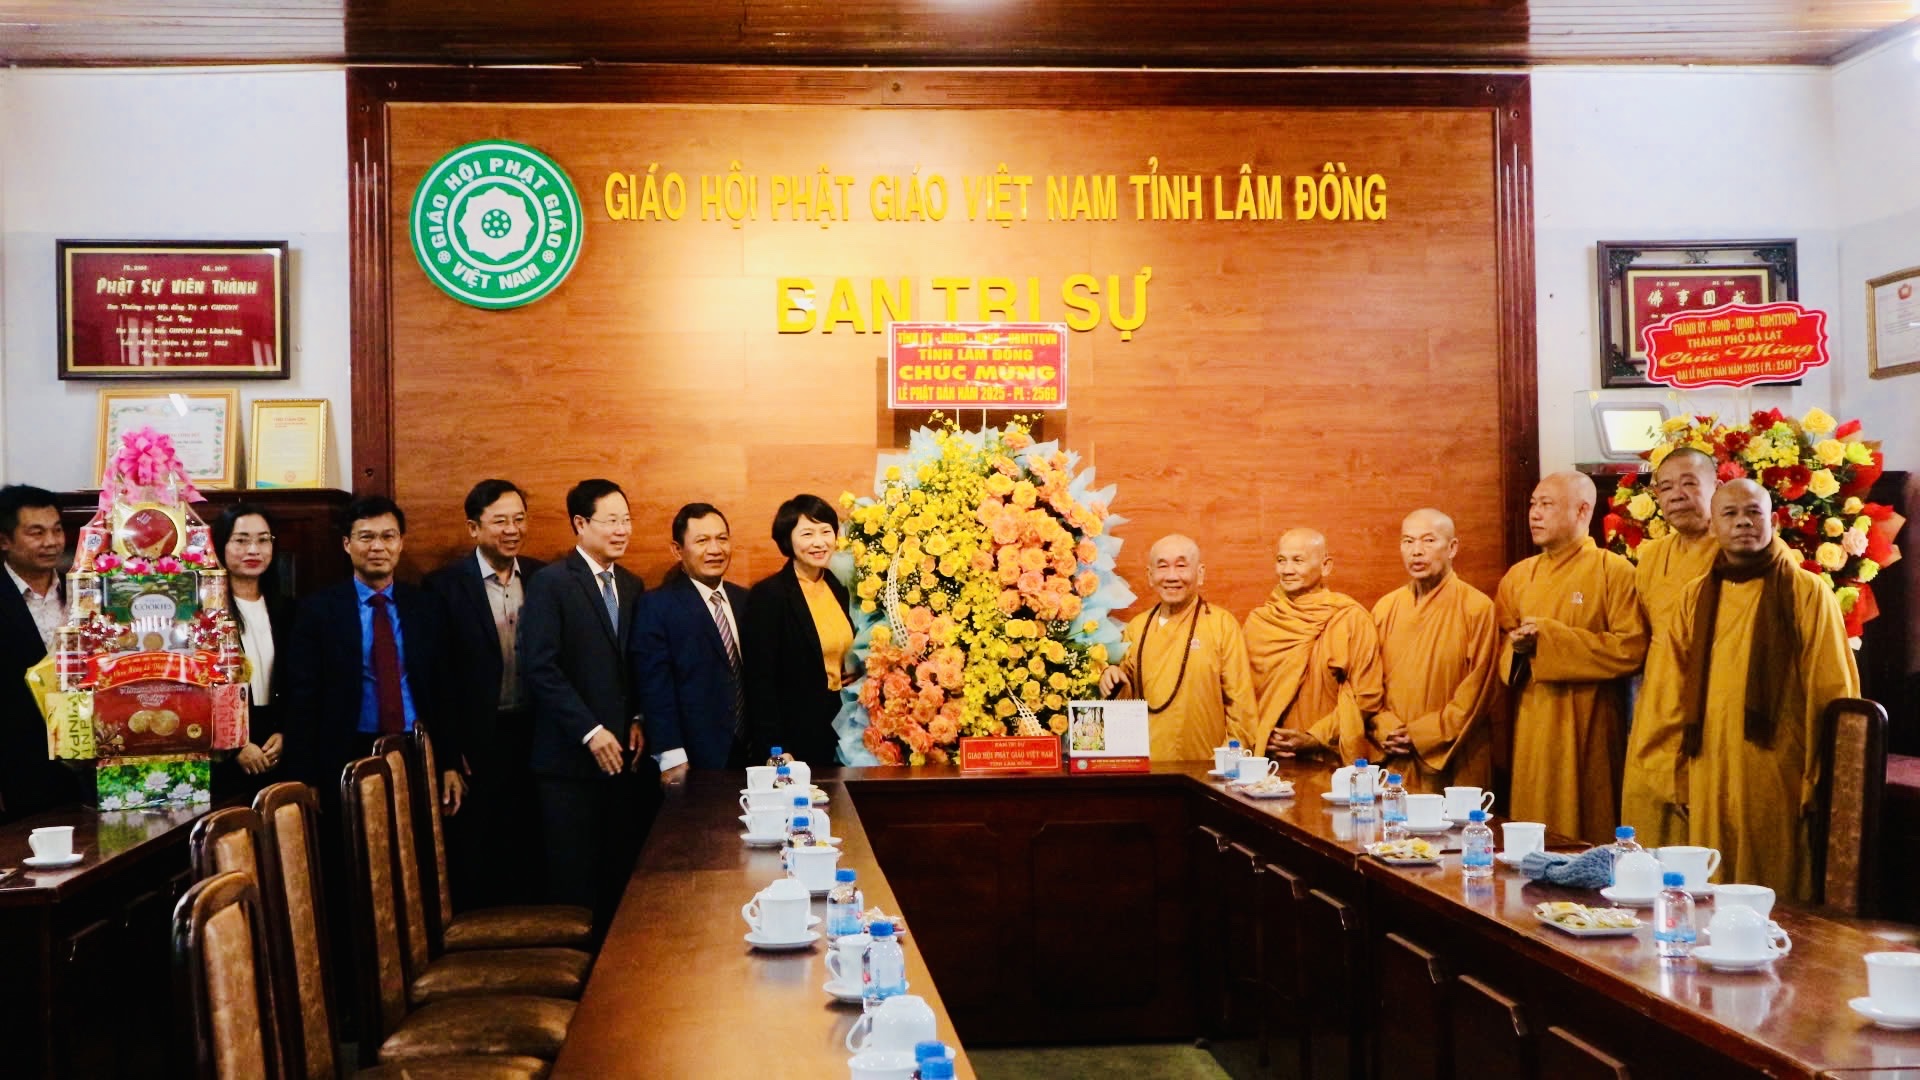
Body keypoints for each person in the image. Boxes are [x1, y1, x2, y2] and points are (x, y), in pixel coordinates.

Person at [1661, 479, 1858, 900]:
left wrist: (1818, 776)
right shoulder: (1694, 597)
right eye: (1730, 514)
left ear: (1774, 521)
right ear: (1713, 526)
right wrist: (1677, 772)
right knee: (1711, 881)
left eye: (1754, 512)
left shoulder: (1806, 593)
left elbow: (1832, 691)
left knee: (1774, 881)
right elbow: (1672, 691)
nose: (1743, 522)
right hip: (1708, 763)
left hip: (1777, 762)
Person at [521, 478, 647, 931]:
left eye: (626, 520)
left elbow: (635, 662)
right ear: (580, 523)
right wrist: (590, 730)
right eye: (610, 520)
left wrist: (637, 716)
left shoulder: (632, 584)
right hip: (568, 764)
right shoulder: (551, 583)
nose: (621, 530)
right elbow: (540, 668)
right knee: (574, 885)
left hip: (624, 763)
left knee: (620, 879)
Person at [1496, 471, 1647, 845]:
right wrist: (1518, 650)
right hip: (1534, 723)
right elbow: (1503, 649)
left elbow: (1631, 649)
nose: (1534, 514)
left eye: (1546, 504)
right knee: (1532, 829)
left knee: (1587, 826)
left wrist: (1550, 638)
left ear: (1582, 511)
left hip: (1591, 723)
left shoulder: (1613, 571)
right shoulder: (1518, 577)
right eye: (1533, 504)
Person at [280, 495, 462, 801]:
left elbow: (445, 689)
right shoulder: (318, 611)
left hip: (416, 747)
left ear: (401, 543)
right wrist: (305, 776)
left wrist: (450, 762)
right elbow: (303, 698)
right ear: (347, 544)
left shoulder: (427, 607)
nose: (378, 547)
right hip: (347, 751)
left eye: (388, 536)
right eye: (366, 537)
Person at [425, 479, 545, 907]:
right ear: (474, 528)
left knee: (532, 842)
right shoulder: (444, 586)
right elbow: (437, 678)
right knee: (480, 846)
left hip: (535, 733)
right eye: (500, 521)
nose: (512, 529)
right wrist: (447, 755)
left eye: (519, 519)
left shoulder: (543, 577)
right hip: (477, 743)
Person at [1621, 447, 1722, 846]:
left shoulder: (1738, 552)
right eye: (1666, 487)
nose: (1677, 495)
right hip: (1655, 704)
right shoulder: (1652, 557)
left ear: (1717, 488)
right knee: (1646, 818)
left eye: (1689, 483)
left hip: (1710, 702)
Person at [1370, 509, 1500, 792]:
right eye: (1408, 541)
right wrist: (1385, 727)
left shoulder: (1476, 608)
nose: (1416, 551)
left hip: (1453, 755)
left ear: (1452, 548)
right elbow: (1367, 681)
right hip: (1395, 752)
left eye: (1428, 541)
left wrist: (1422, 734)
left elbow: (1477, 692)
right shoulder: (1385, 608)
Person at [1099, 534, 1257, 761]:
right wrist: (1111, 677)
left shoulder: (1222, 625)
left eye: (1181, 566)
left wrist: (1225, 763)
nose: (1172, 576)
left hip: (1205, 768)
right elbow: (1125, 704)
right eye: (1162, 566)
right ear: (1150, 576)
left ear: (1200, 573)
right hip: (1148, 767)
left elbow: (1242, 709)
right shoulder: (1137, 628)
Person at [1243, 528, 1386, 764]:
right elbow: (1243, 697)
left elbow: (1367, 696)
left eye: (1298, 561)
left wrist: (1315, 737)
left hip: (1328, 759)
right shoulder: (1260, 622)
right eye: (1281, 560)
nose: (1287, 570)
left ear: (1325, 566)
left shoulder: (1350, 619)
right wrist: (1262, 734)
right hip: (1269, 759)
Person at [634, 503, 750, 784]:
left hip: (750, 753)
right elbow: (655, 686)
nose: (715, 549)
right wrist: (670, 754)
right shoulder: (657, 605)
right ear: (678, 550)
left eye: (722, 539)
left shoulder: (746, 600)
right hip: (693, 756)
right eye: (702, 541)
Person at [744, 494, 854, 766]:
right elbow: (760, 682)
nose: (819, 542)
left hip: (844, 725)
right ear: (787, 540)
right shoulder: (769, 595)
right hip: (795, 735)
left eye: (826, 531)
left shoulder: (840, 586)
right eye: (807, 534)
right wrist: (774, 748)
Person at [0, 485, 81, 821]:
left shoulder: (83, 589)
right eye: (37, 533)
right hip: (20, 770)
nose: (51, 542)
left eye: (57, 530)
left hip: (87, 764)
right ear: (4, 540)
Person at [209, 502, 293, 801]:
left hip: (278, 745)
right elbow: (196, 692)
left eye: (263, 540)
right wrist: (235, 747)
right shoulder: (206, 614)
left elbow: (302, 682)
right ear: (221, 545)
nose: (253, 550)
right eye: (241, 540)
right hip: (225, 755)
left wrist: (286, 733)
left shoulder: (289, 610)